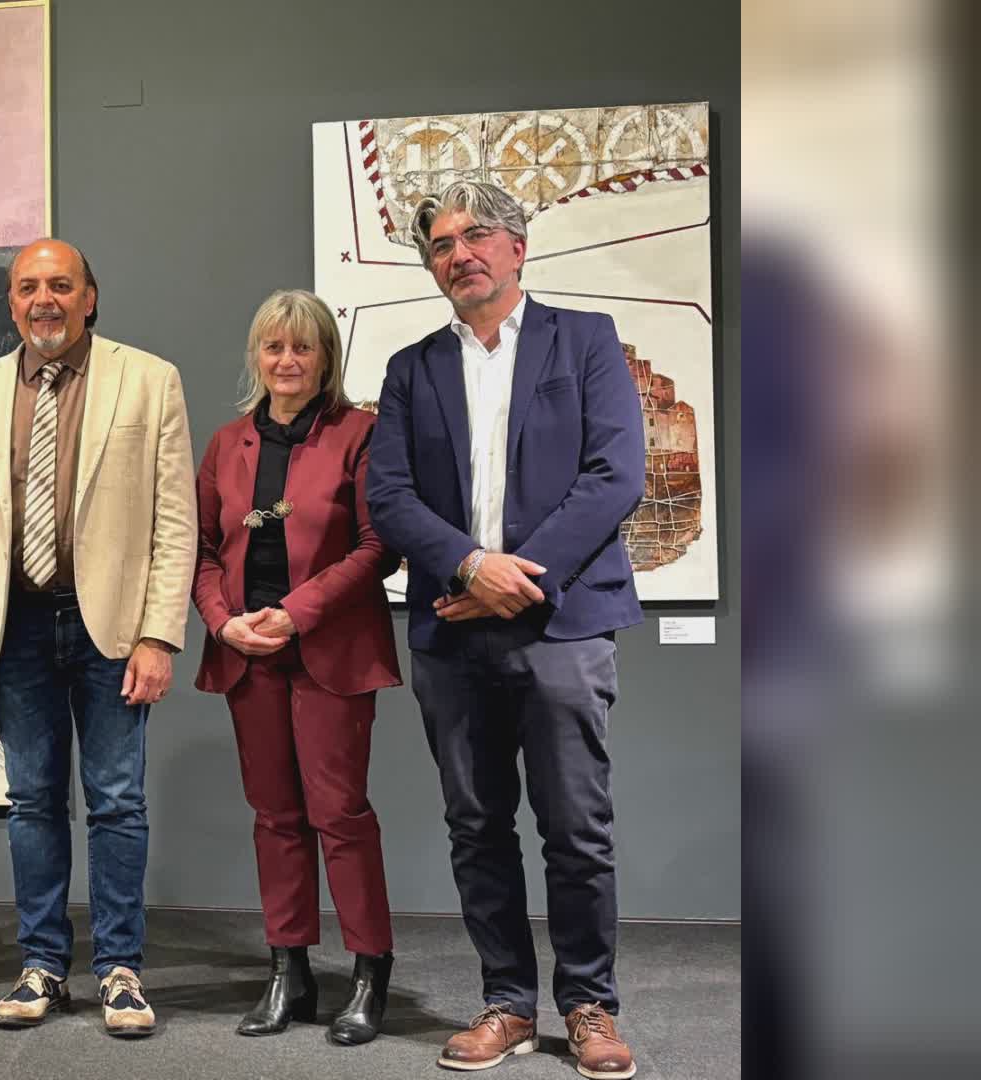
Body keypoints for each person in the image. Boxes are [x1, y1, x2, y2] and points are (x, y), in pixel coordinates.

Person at [365, 180, 645, 1079]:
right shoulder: (411, 369)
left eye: (476, 235)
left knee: (577, 826)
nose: (460, 254)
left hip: (563, 624)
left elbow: (615, 475)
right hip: (454, 629)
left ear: (518, 247)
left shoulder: (585, 340)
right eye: (441, 245)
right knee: (476, 825)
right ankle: (509, 1004)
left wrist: (514, 580)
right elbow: (389, 497)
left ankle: (590, 1004)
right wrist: (469, 568)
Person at [0, 239, 195, 1038]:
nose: (42, 299)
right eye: (27, 287)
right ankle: (42, 963)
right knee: (32, 800)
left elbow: (175, 521)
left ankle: (120, 970)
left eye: (59, 285)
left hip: (110, 626)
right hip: (13, 625)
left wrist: (160, 636)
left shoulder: (149, 380)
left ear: (90, 297)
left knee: (116, 801)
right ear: (11, 302)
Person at [191, 290, 402, 1044]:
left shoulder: (361, 435)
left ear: (325, 358)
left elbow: (380, 547)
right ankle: (290, 970)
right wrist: (224, 622)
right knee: (275, 817)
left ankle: (370, 971)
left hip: (329, 654)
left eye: (302, 347)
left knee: (338, 814)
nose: (287, 361)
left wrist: (296, 611)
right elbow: (202, 552)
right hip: (248, 654)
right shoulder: (227, 445)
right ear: (257, 356)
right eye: (274, 347)